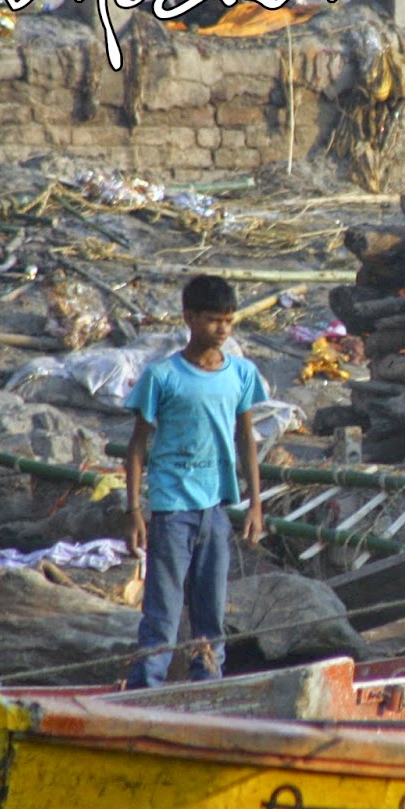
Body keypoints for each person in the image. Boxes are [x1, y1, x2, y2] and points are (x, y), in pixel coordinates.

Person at [123, 275, 267, 688]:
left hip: (215, 509)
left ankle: (207, 687)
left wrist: (256, 505)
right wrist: (133, 510)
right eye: (213, 320)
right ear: (189, 318)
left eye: (229, 320)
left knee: (211, 613)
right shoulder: (163, 376)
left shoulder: (241, 373)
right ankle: (145, 690)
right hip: (172, 510)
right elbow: (137, 446)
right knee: (163, 613)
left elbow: (246, 438)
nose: (223, 329)